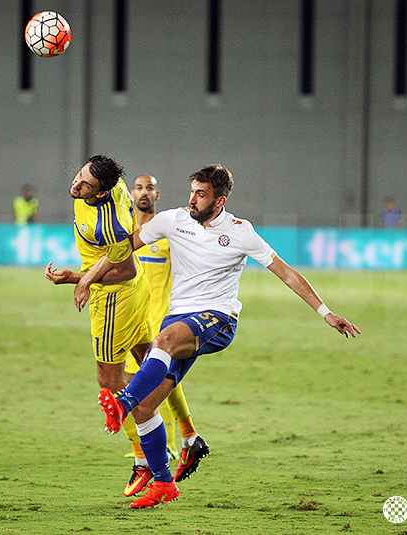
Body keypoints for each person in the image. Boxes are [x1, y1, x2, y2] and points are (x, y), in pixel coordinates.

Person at [83, 164, 360, 508]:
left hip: (218, 318)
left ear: (220, 200)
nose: (193, 200)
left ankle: (121, 403)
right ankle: (164, 483)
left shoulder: (241, 232)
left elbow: (286, 273)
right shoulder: (174, 220)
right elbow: (124, 248)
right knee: (146, 407)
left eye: (201, 194)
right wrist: (83, 277)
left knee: (163, 341)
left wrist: (326, 312)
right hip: (180, 317)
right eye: (192, 192)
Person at [44, 155, 154, 495]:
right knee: (152, 365)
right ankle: (179, 433)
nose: (76, 185)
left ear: (103, 191)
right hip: (135, 296)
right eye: (79, 176)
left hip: (114, 300)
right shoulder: (112, 185)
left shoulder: (113, 224)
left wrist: (78, 279)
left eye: (86, 185)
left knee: (111, 386)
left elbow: (125, 269)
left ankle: (144, 461)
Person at [121, 174, 209, 497]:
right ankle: (184, 438)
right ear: (132, 194)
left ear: (158, 193)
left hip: (161, 322)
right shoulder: (128, 234)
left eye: (150, 188)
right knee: (152, 386)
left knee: (136, 391)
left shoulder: (169, 231)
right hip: (131, 319)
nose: (144, 193)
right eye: (139, 187)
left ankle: (144, 460)